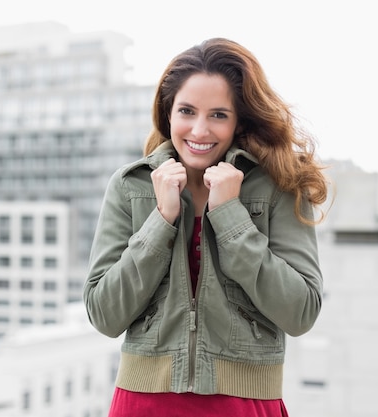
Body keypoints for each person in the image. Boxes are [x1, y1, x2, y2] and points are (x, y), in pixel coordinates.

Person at [83, 37, 328, 417]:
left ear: (238, 121)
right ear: (168, 113)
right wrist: (161, 221)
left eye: (218, 115)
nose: (199, 130)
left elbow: (301, 312)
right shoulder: (131, 186)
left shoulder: (279, 186)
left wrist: (230, 217)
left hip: (243, 404)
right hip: (142, 403)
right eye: (187, 111)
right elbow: (104, 314)